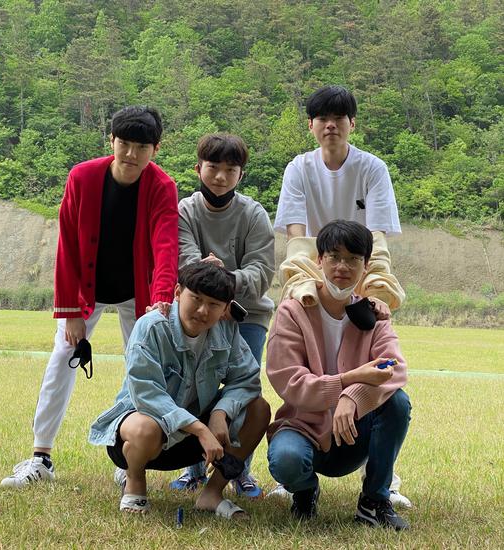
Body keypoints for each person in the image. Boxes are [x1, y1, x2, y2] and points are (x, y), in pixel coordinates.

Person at [0, 106, 179, 488]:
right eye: (124, 144)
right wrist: (70, 312)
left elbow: (165, 247)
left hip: (139, 293)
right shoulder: (82, 177)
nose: (131, 154)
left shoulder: (162, 186)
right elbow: (66, 244)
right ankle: (41, 458)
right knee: (61, 359)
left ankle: (129, 458)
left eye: (141, 147)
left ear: (156, 149)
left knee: (143, 370)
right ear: (111, 141)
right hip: (87, 290)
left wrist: (161, 303)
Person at [272, 85, 409, 506]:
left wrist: (373, 293)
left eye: (339, 118)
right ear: (311, 125)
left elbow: (376, 239)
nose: (330, 125)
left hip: (359, 273)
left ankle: (381, 482)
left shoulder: (372, 168)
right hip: (316, 271)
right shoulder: (298, 168)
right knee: (309, 364)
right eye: (322, 118)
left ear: (352, 123)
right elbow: (297, 238)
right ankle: (297, 471)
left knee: (383, 384)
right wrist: (304, 286)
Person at [89, 263, 271, 517]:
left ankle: (212, 493)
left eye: (214, 304)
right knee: (145, 428)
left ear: (225, 309)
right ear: (177, 293)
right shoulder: (151, 327)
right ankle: (134, 481)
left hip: (190, 439)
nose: (203, 310)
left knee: (259, 408)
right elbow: (146, 393)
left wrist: (220, 413)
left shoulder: (226, 330)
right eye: (196, 298)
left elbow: (247, 379)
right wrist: (200, 429)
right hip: (147, 433)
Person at [266, 220, 411, 530]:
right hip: (304, 427)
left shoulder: (373, 314)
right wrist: (345, 383)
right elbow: (289, 380)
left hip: (354, 432)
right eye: (334, 256)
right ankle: (305, 490)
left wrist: (353, 397)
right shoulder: (292, 312)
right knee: (286, 459)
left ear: (366, 265)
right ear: (319, 260)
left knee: (398, 402)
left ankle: (374, 501)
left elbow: (394, 367)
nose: (342, 266)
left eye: (353, 259)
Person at [170, 133, 275, 498]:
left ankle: (238, 470)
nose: (220, 177)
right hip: (197, 312)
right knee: (191, 389)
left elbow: (261, 272)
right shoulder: (185, 211)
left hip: (246, 316)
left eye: (231, 170)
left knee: (242, 392)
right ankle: (193, 469)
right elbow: (186, 262)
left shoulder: (253, 214)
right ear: (198, 168)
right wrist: (213, 287)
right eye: (213, 167)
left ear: (240, 175)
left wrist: (223, 280)